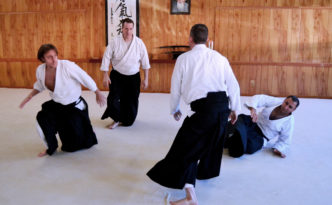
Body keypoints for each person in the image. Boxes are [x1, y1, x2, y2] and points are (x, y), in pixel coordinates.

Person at [147, 24, 241, 205]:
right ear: (207, 39)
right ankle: (192, 191)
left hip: (204, 112)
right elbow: (233, 85)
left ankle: (191, 199)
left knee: (184, 150)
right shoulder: (220, 58)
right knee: (197, 147)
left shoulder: (183, 59)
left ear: (190, 39)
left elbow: (175, 88)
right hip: (222, 110)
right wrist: (235, 108)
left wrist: (174, 109)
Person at [19, 44, 106, 157]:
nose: (54, 59)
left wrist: (97, 92)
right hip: (58, 104)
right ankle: (51, 147)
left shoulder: (67, 66)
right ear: (42, 59)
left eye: (55, 55)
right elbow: (39, 85)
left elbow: (84, 77)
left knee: (71, 147)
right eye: (49, 57)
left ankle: (86, 130)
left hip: (74, 106)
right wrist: (29, 96)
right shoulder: (40, 70)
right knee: (42, 119)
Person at [100, 18, 150, 129]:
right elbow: (106, 58)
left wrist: (146, 78)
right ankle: (116, 119)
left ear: (133, 29)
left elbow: (145, 62)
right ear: (122, 29)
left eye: (131, 29)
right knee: (112, 99)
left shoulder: (139, 43)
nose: (128, 32)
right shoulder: (114, 42)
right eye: (126, 29)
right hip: (117, 75)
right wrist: (105, 75)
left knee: (131, 100)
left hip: (133, 76)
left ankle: (127, 120)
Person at [225, 94, 300, 158]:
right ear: (284, 100)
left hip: (261, 137)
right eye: (286, 103)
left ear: (294, 109)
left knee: (251, 146)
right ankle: (235, 137)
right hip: (253, 123)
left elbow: (285, 140)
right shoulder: (276, 102)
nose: (286, 107)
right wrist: (253, 109)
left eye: (290, 107)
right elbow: (259, 98)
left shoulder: (289, 122)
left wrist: (278, 148)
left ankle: (231, 137)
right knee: (241, 118)